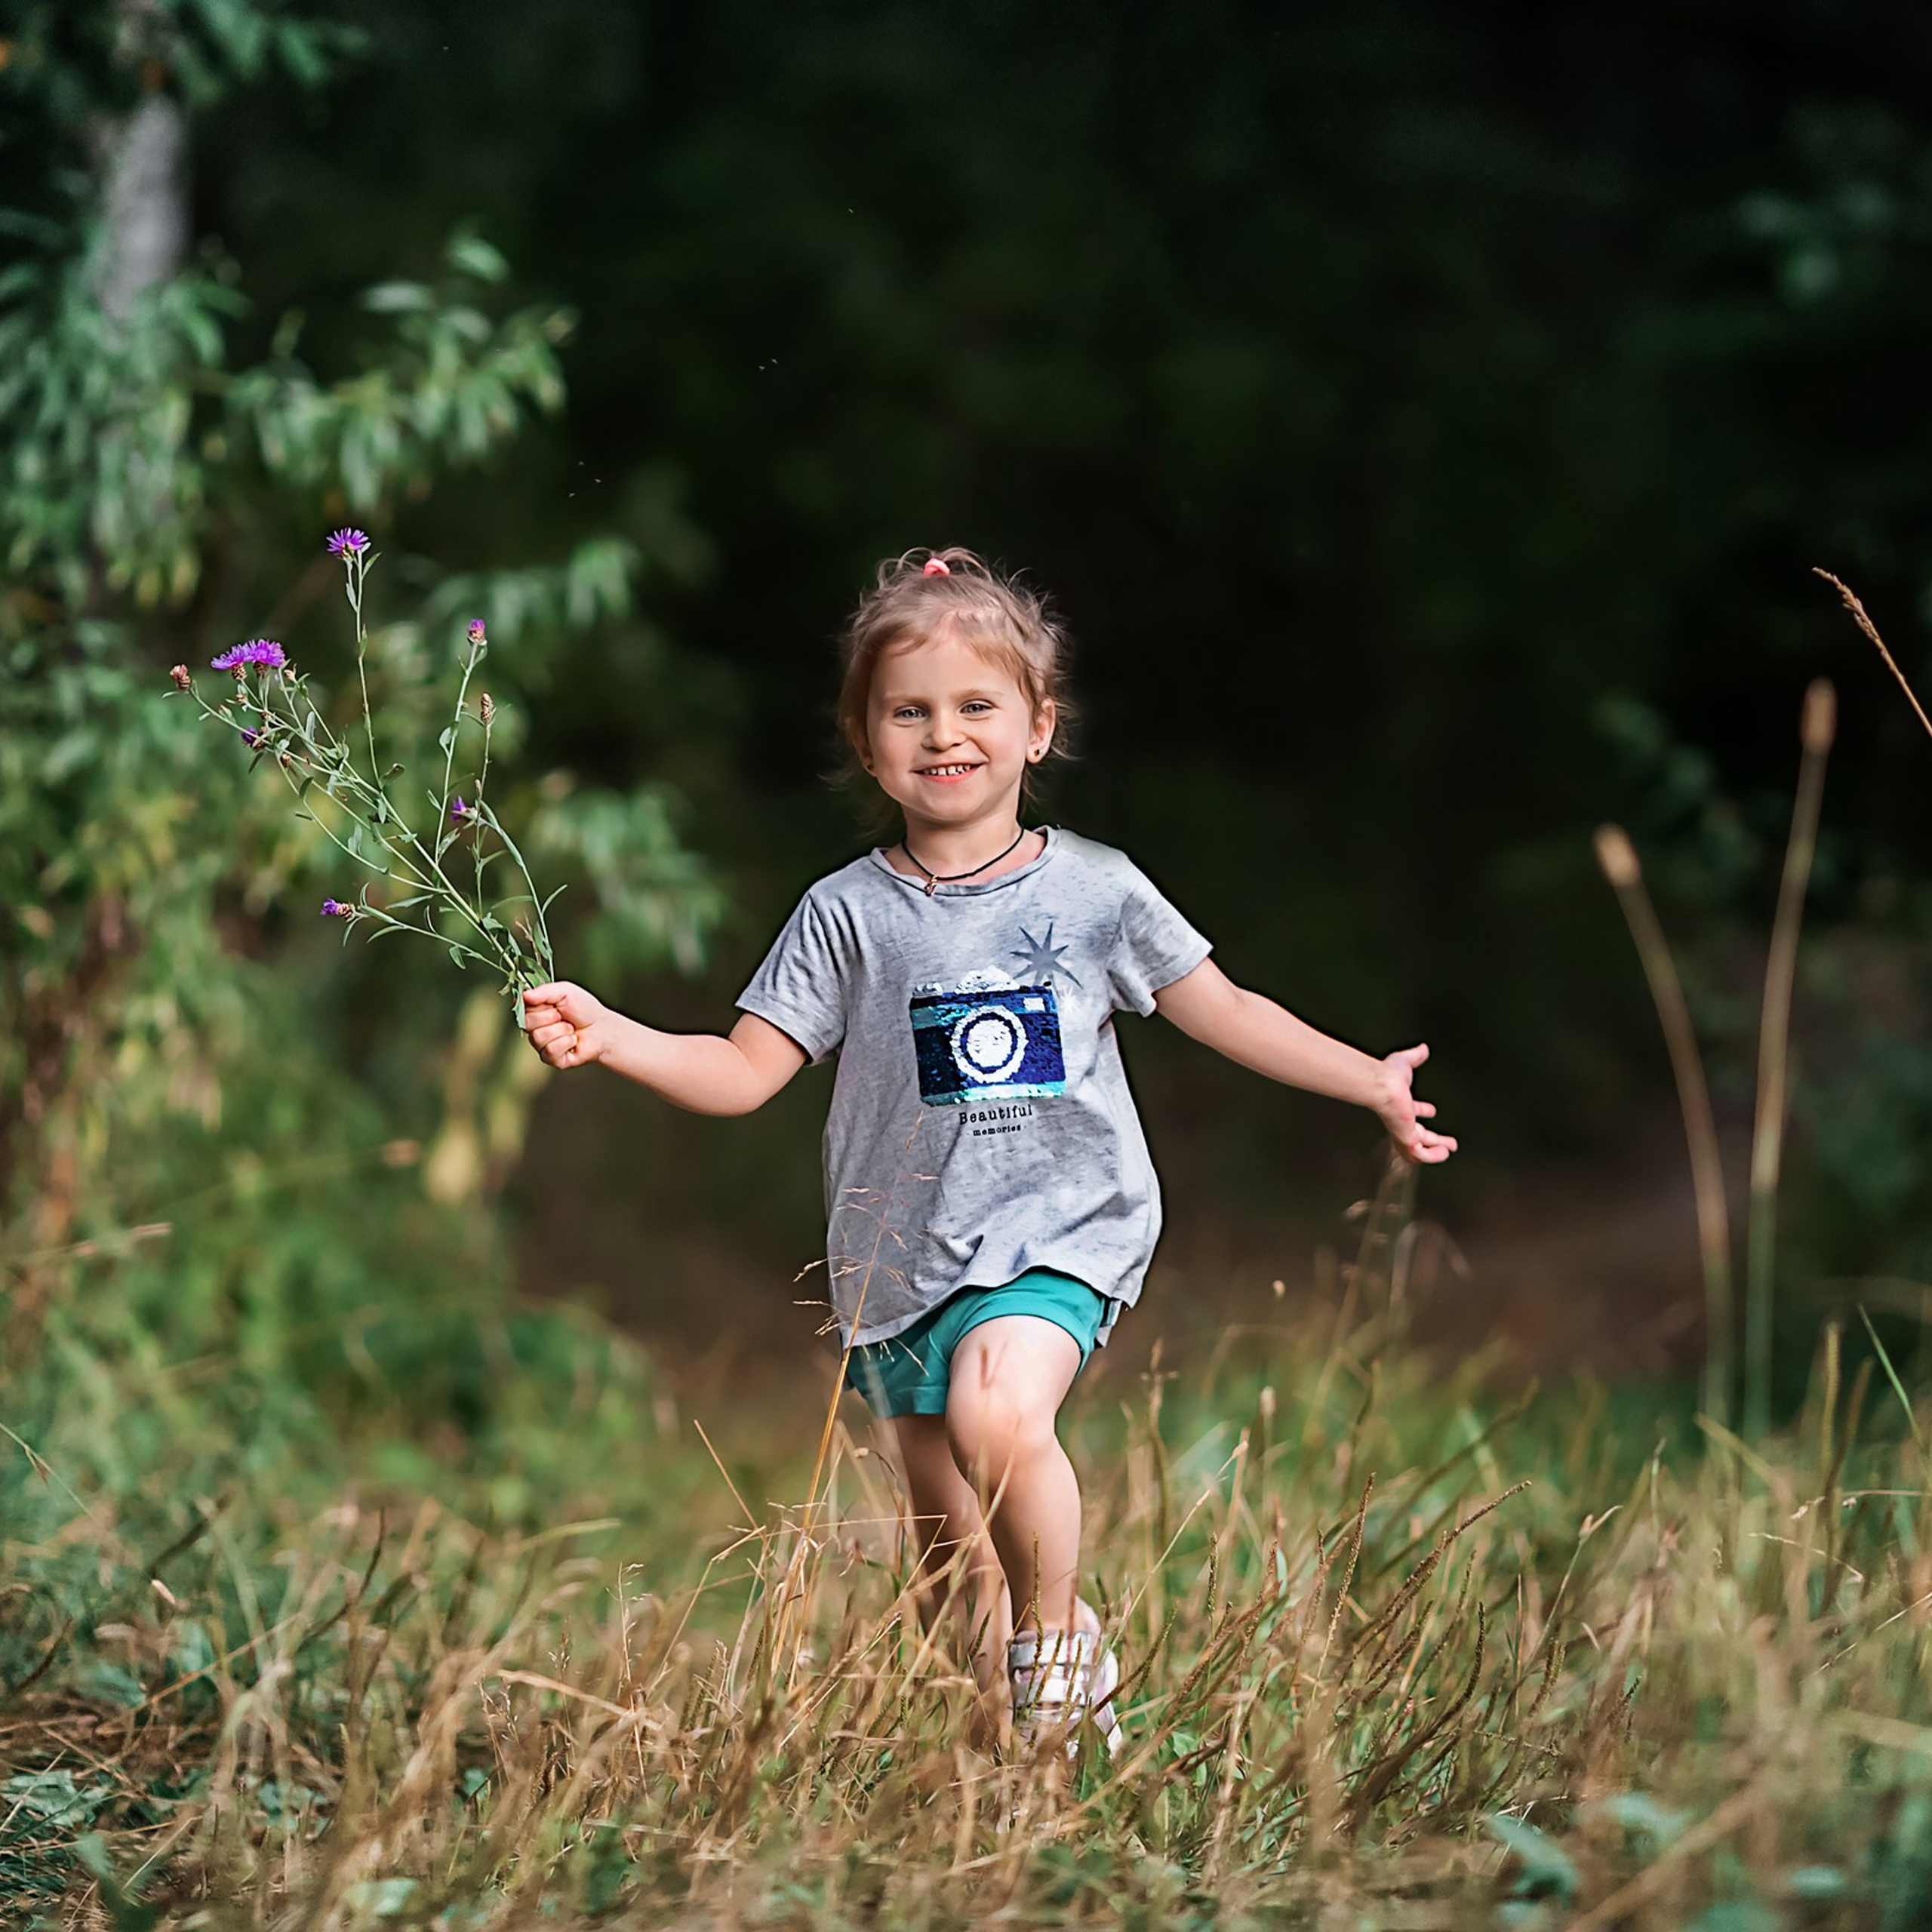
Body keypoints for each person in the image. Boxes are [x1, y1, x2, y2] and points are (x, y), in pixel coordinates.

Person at [519, 546, 1455, 1758]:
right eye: (909, 711)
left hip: (1056, 1229)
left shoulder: (1097, 893)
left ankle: (1057, 1645)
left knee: (1000, 1415)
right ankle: (1049, 1767)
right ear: (866, 742)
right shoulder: (846, 914)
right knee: (953, 1584)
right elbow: (744, 1072)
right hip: (897, 1259)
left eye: (976, 707)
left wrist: (1365, 1075)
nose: (944, 735)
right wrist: (616, 1035)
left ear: (1037, 727)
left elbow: (1227, 1009)